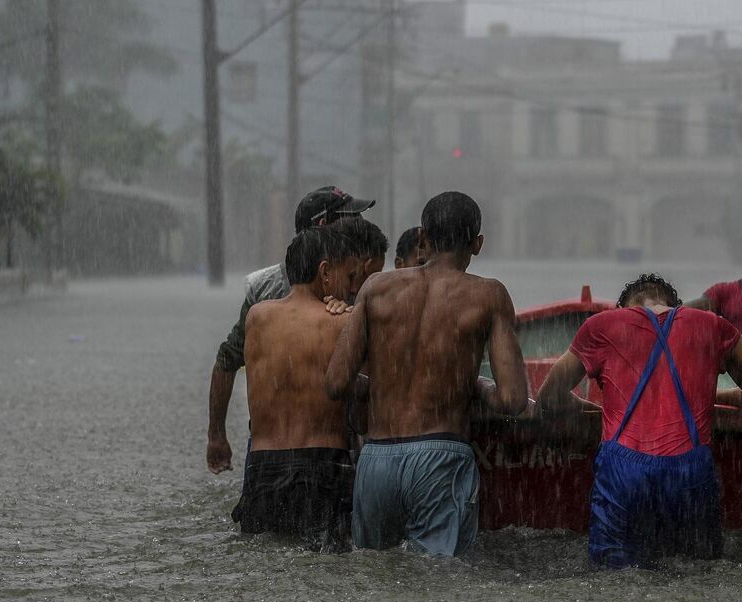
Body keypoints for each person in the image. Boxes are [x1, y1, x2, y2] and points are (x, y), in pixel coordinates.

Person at [324, 191, 530, 557]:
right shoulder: (488, 295)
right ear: (477, 244)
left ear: (422, 238)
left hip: (377, 461)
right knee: (439, 586)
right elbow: (513, 400)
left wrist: (388, 385)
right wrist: (477, 387)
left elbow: (337, 382)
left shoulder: (375, 288)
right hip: (441, 458)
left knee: (373, 580)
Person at [537, 275, 742, 568]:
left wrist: (592, 411)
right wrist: (717, 397)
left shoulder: (601, 327)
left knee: (611, 576)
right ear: (674, 307)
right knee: (699, 572)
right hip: (690, 475)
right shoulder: (711, 325)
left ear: (624, 308)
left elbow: (548, 398)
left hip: (623, 475)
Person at [207, 186, 374, 475]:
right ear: (324, 226)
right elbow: (227, 361)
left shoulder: (362, 276)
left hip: (280, 456)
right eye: (351, 220)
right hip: (318, 456)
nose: (359, 228)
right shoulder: (268, 290)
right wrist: (216, 436)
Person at [231, 228, 369, 550]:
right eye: (347, 277)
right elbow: (370, 391)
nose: (351, 288)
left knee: (266, 560)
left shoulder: (257, 318)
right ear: (324, 272)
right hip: (322, 468)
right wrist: (353, 316)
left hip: (262, 468)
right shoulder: (341, 322)